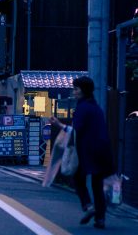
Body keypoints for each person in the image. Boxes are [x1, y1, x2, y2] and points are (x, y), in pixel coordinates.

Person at [50, 76, 115, 229]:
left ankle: (88, 206)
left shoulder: (83, 108)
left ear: (84, 90)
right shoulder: (96, 108)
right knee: (97, 184)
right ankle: (100, 219)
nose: (74, 92)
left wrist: (59, 124)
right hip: (103, 151)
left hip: (87, 152)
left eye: (76, 89)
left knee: (78, 178)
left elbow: (75, 130)